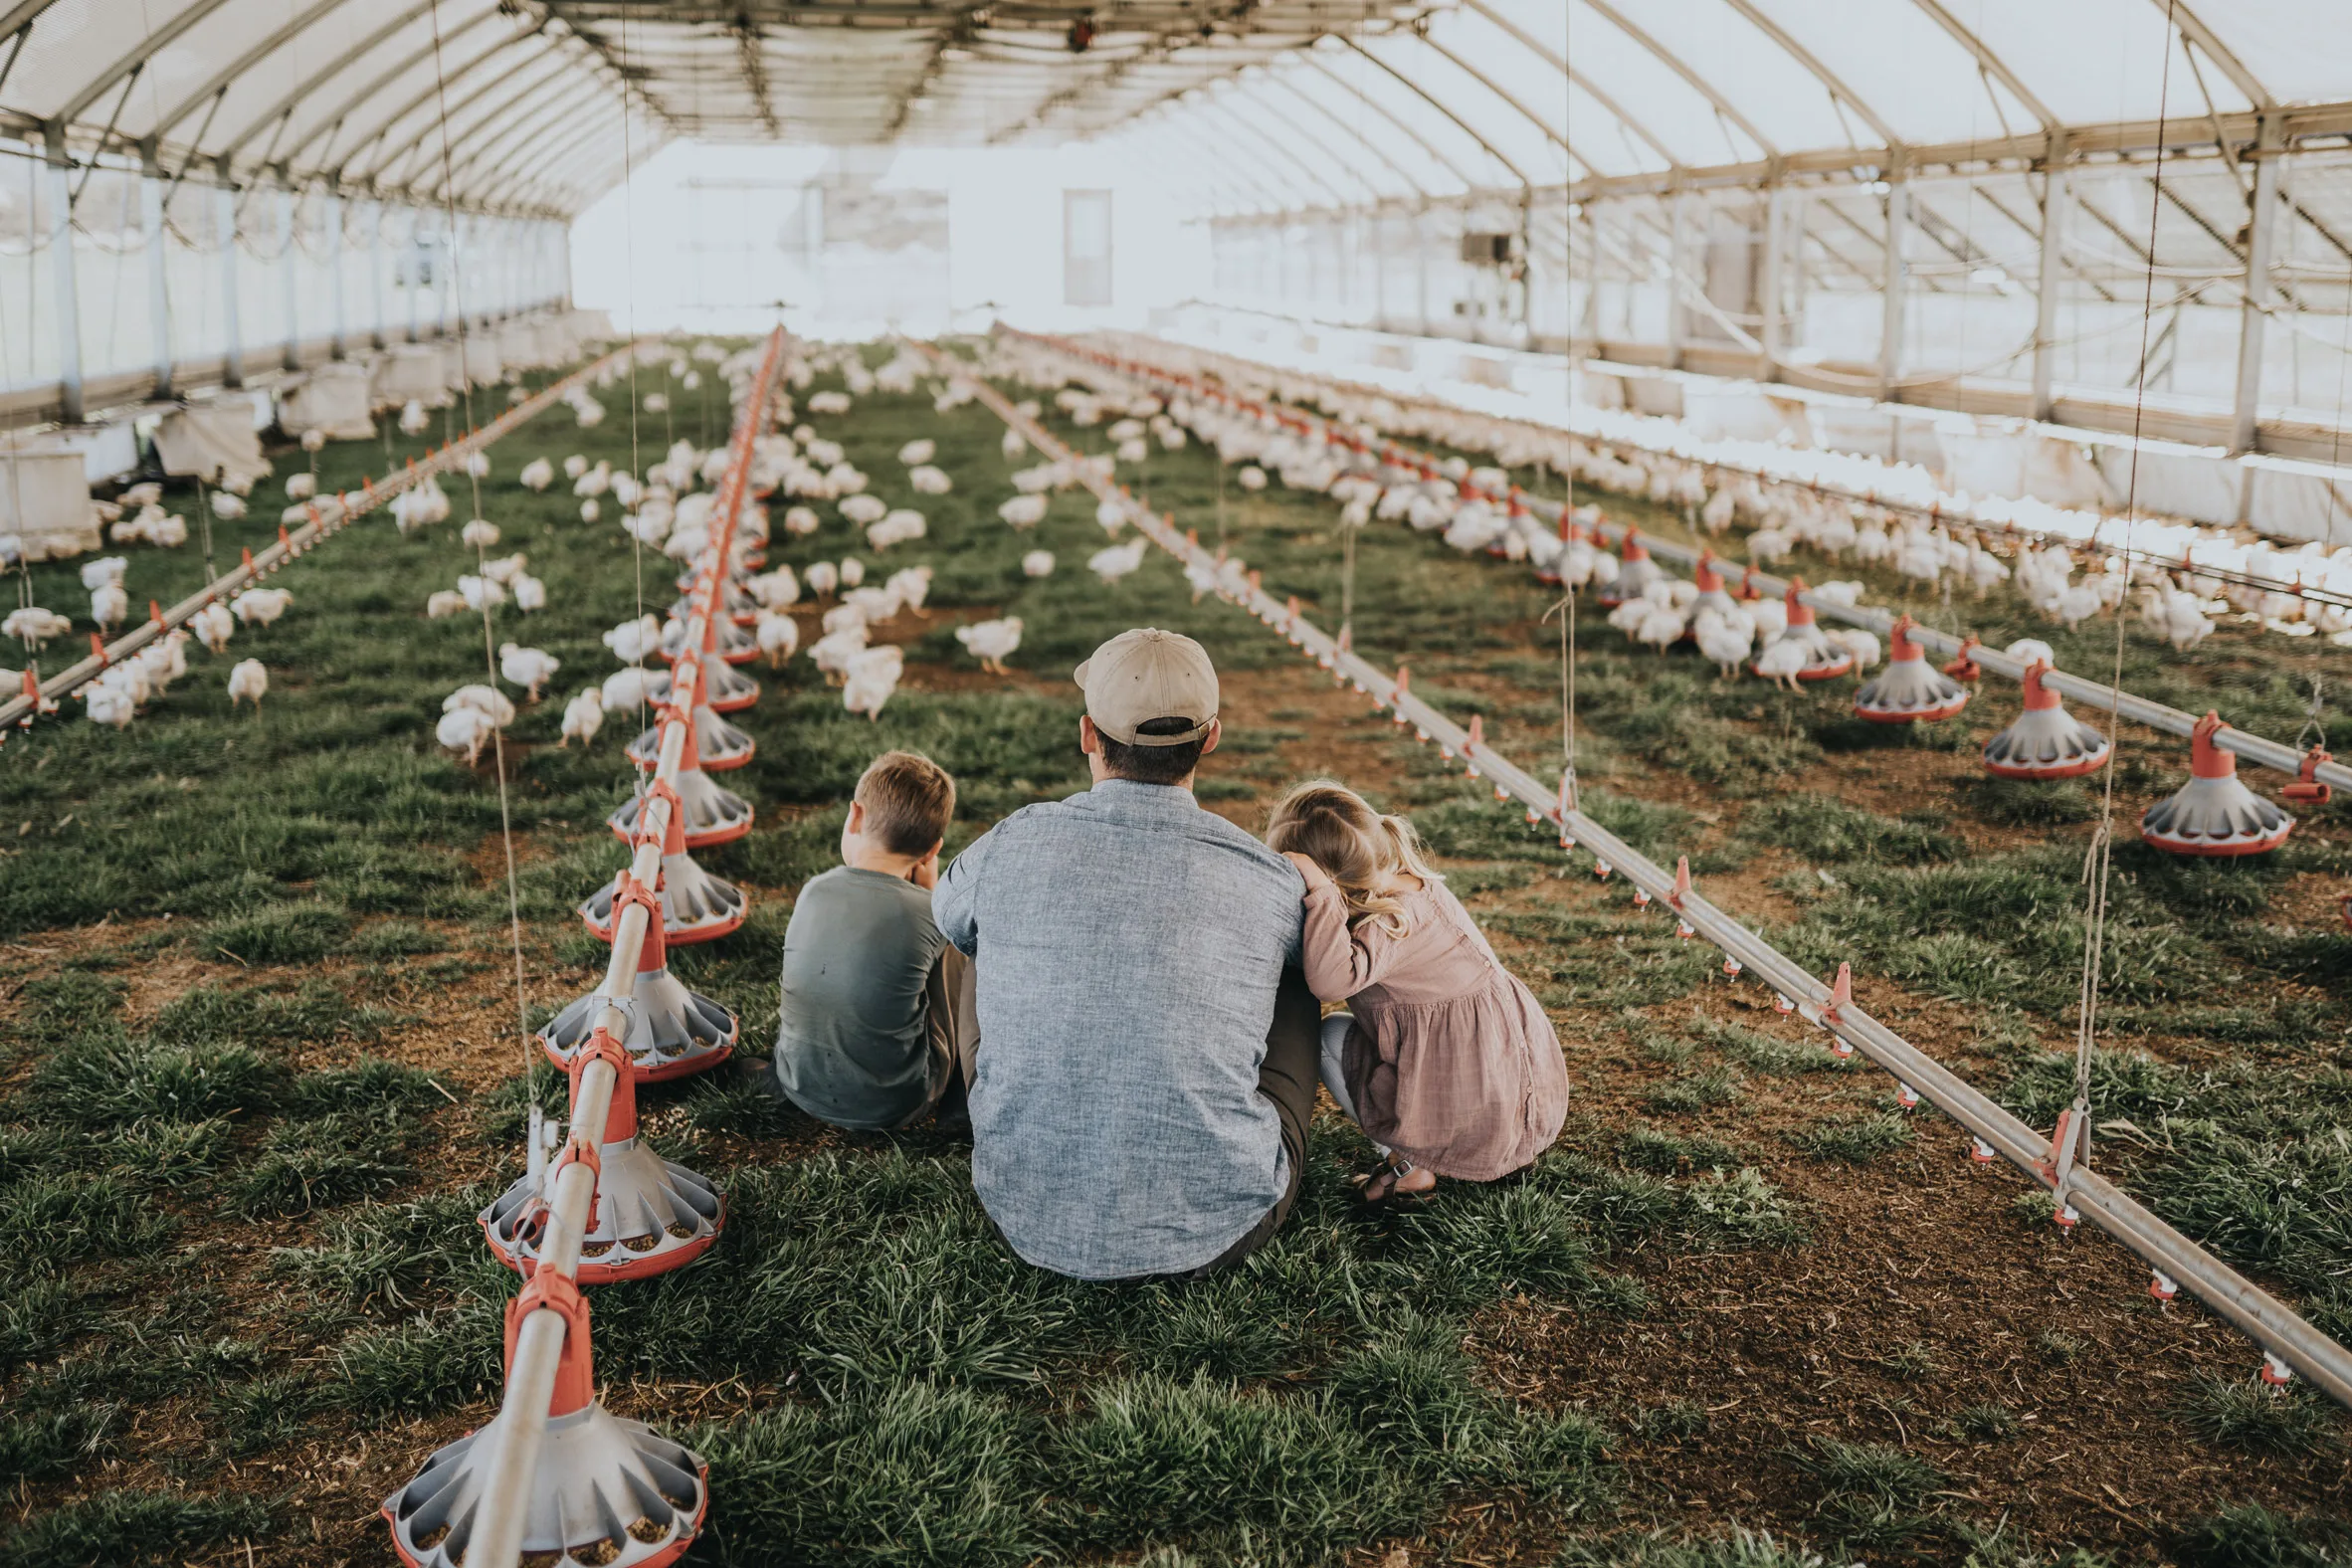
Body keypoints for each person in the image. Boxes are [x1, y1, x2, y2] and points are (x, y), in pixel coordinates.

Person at [932, 628, 1318, 1280]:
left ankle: (994, 1113)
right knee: (1302, 972)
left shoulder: (1012, 842)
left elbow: (945, 913)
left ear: (1088, 734)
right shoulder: (1269, 877)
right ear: (1213, 736)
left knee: (970, 934)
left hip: (1024, 1206)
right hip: (1220, 1225)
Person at [1268, 781, 1568, 1201]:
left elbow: (1330, 981)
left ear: (1332, 882)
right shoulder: (1412, 885)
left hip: (1472, 1086)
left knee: (1330, 1036)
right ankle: (1491, 1140)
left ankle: (1410, 1165)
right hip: (1510, 1085)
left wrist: (1319, 896)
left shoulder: (1389, 924)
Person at [767, 749, 976, 1131]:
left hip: (797, 1083)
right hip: (896, 1104)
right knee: (963, 949)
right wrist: (935, 902)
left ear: (855, 815)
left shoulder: (813, 891)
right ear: (933, 850)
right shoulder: (931, 912)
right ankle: (962, 1096)